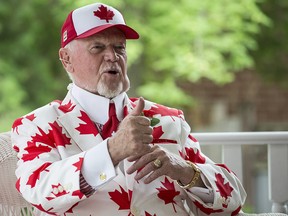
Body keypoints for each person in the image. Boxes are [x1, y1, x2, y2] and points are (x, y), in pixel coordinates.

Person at [11, 2, 246, 216]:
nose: (112, 56)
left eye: (119, 47)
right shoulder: (38, 124)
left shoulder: (169, 120)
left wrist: (183, 170)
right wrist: (112, 150)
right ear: (66, 59)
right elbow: (38, 190)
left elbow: (233, 201)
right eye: (97, 47)